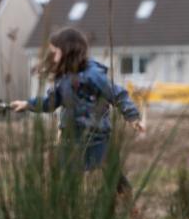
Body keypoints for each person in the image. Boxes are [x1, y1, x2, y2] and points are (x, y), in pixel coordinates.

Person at [10, 27, 144, 192]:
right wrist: (27, 104)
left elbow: (118, 95)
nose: (53, 57)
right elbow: (50, 103)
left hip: (98, 137)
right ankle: (67, 211)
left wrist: (133, 117)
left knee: (113, 176)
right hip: (71, 138)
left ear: (68, 52)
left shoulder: (93, 75)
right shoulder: (62, 78)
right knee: (64, 178)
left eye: (55, 52)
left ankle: (129, 206)